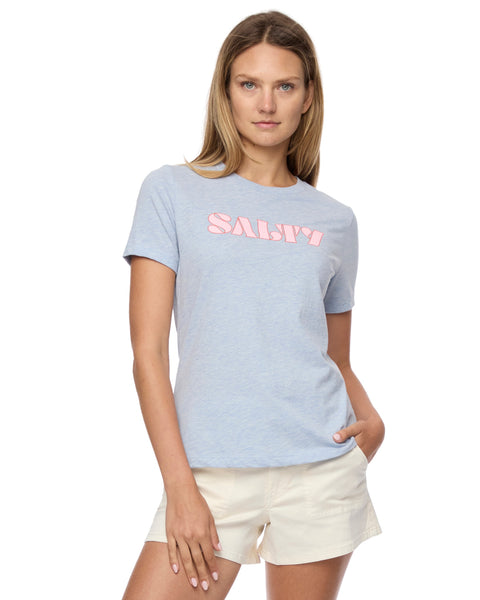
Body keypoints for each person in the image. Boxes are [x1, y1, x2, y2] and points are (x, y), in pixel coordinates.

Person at [121, 10, 384, 600]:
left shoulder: (334, 220)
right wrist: (180, 489)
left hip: (319, 470)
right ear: (226, 91)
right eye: (249, 84)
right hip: (208, 473)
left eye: (284, 86)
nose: (266, 104)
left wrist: (372, 420)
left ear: (308, 97)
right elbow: (148, 354)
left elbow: (334, 356)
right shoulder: (172, 192)